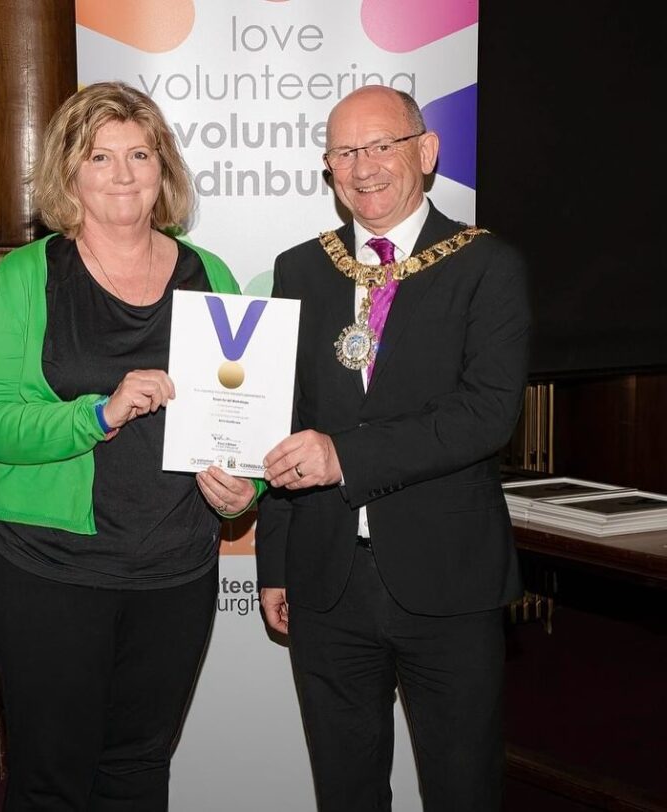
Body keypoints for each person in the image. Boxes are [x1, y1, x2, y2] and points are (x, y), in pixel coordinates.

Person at [0, 81, 263, 810]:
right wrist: (96, 414)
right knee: (51, 777)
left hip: (174, 567)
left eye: (140, 154)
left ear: (164, 169)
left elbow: (240, 420)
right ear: (71, 173)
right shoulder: (26, 277)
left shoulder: (210, 274)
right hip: (49, 567)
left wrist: (243, 489)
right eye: (101, 156)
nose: (124, 173)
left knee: (138, 770)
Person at [256, 85, 530, 811]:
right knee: (345, 790)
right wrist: (276, 562)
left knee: (462, 786)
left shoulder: (486, 266)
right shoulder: (301, 269)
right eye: (345, 151)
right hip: (325, 579)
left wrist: (346, 456)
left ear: (426, 152)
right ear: (328, 166)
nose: (364, 165)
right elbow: (288, 419)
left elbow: (486, 415)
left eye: (382, 145)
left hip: (450, 580)